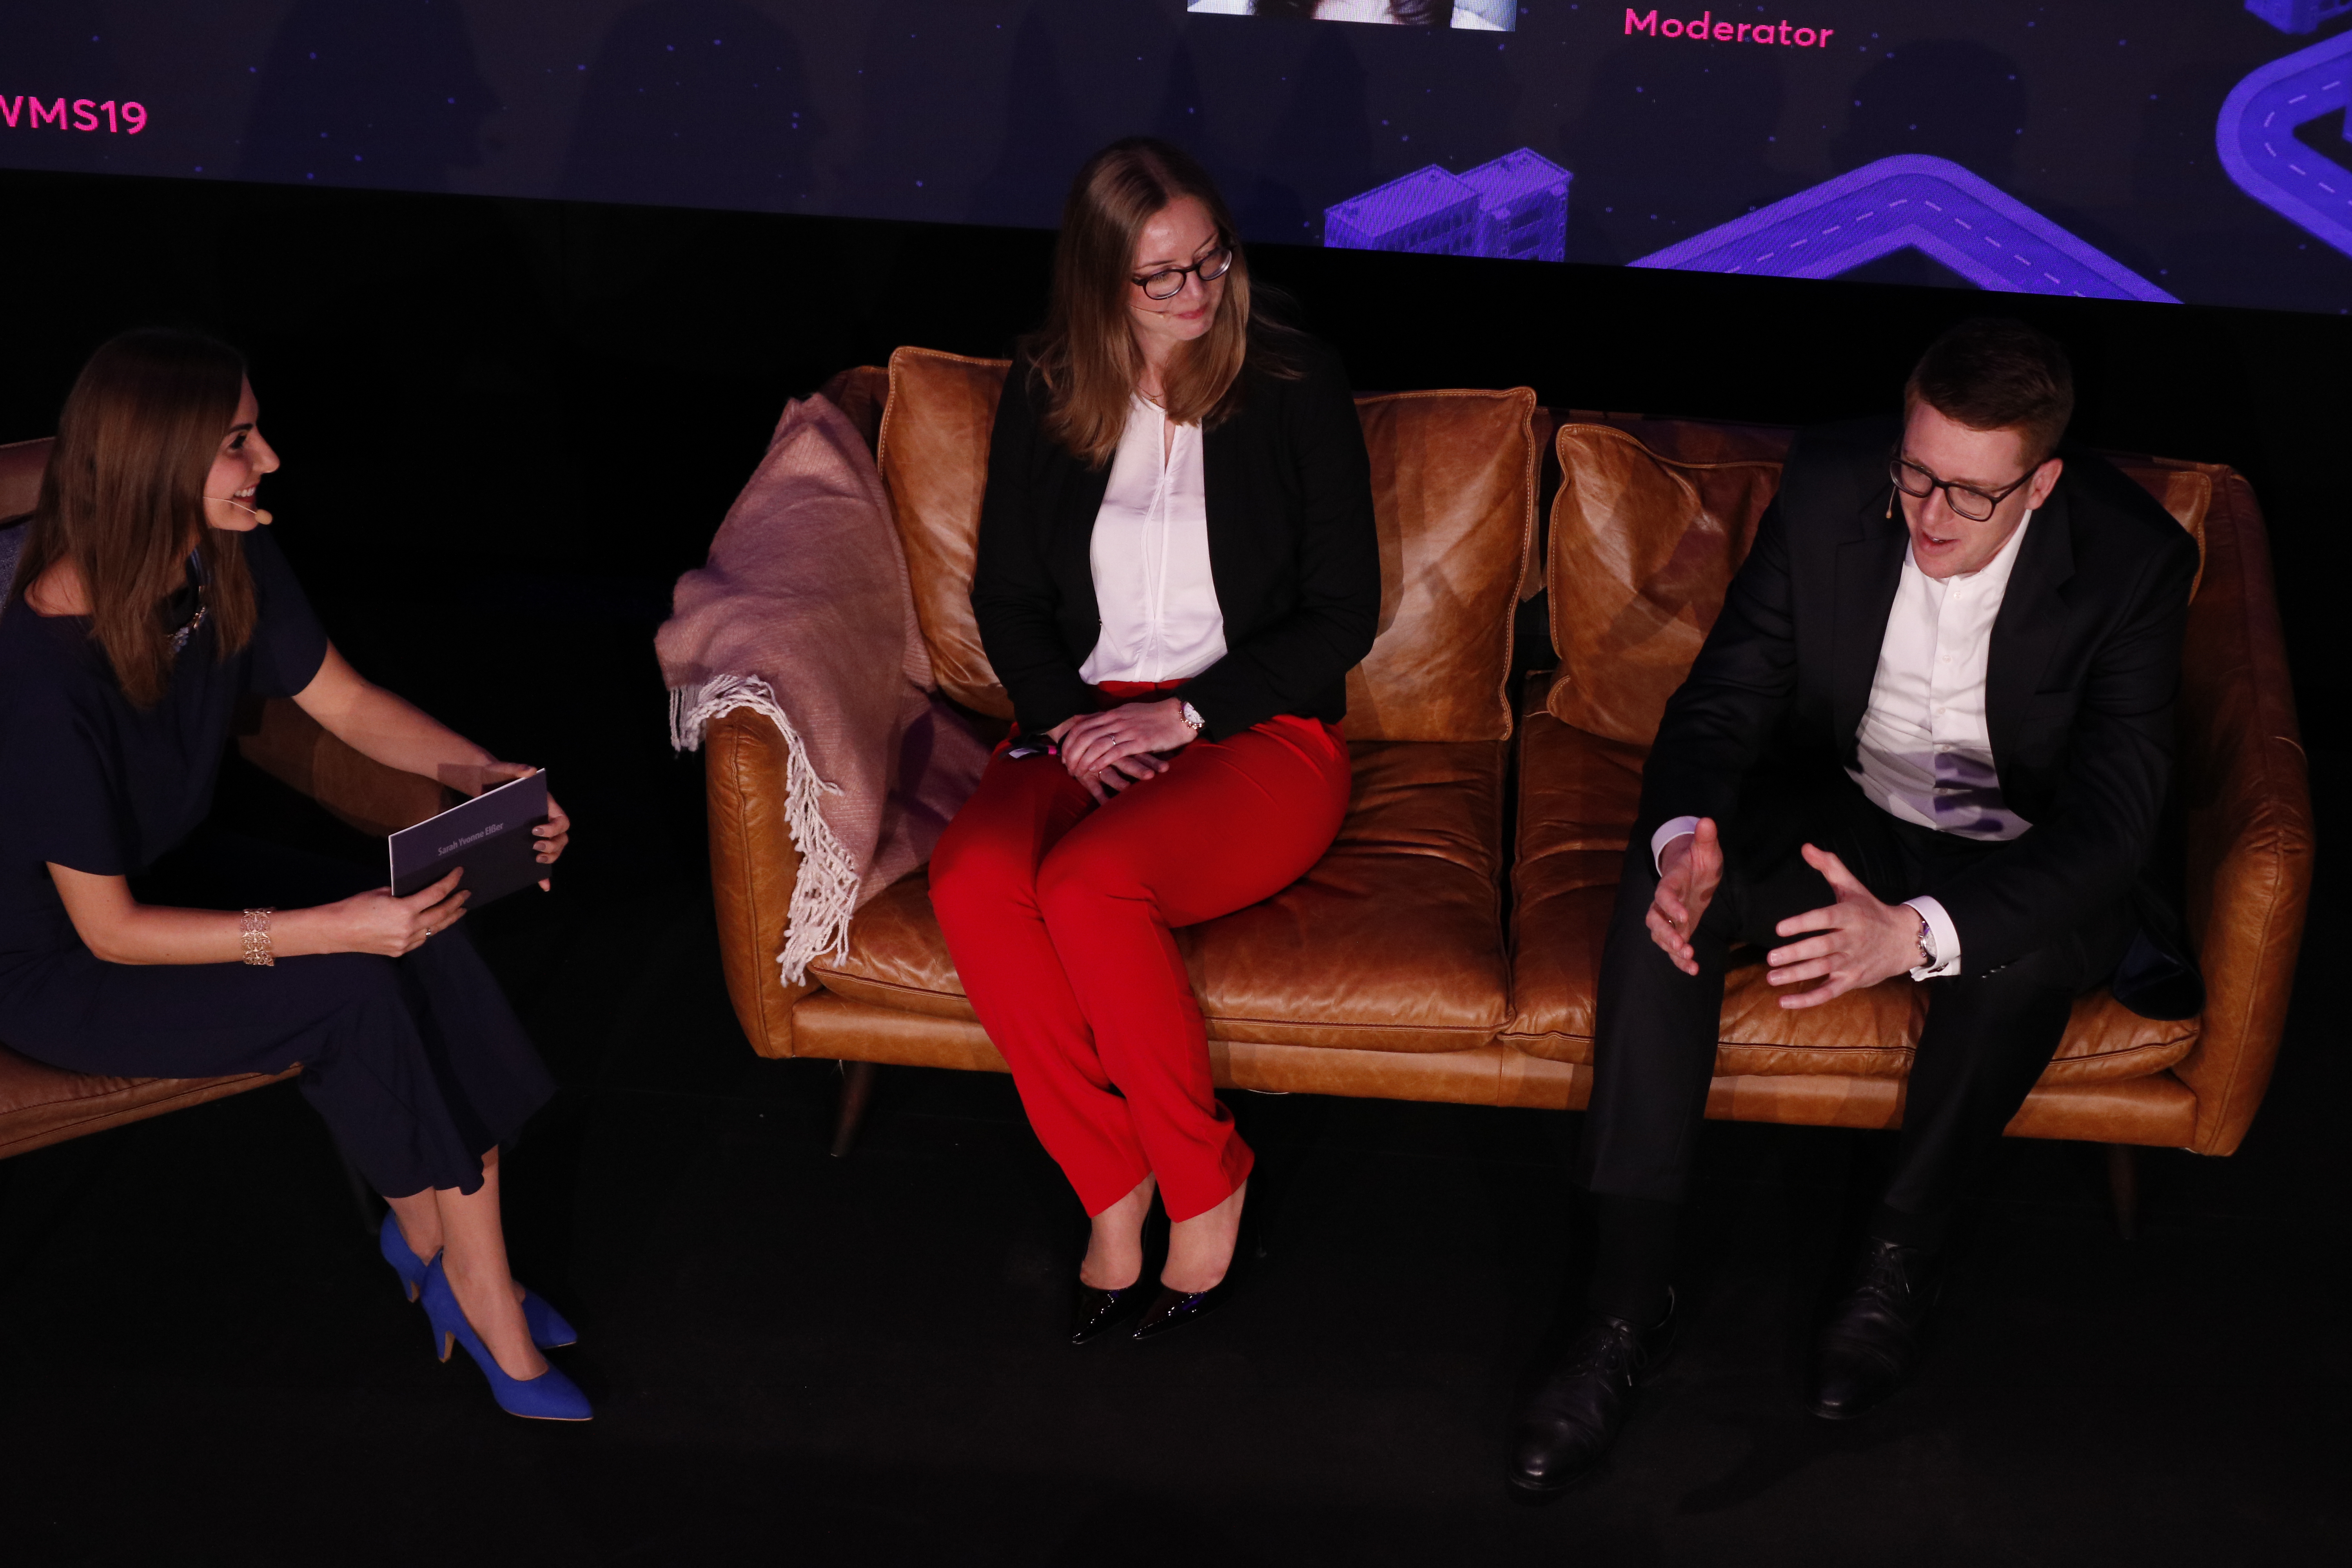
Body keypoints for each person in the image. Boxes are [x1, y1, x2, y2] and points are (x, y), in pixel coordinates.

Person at [1507, 318, 2200, 1495]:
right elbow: (1724, 702)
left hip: (2024, 856)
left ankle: (1898, 1258)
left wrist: (1916, 934)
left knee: (2013, 961)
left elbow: (2112, 829)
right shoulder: (1833, 487)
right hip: (1853, 814)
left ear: (2041, 484)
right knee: (1661, 899)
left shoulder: (2132, 562)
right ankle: (1623, 1309)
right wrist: (1687, 845)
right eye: (1917, 473)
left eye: (1970, 496)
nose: (1930, 514)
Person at [0, 330, 588, 1422]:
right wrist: (331, 927)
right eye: (238, 441)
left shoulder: (224, 553)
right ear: (157, 461)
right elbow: (112, 934)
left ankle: (455, 1260)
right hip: (55, 962)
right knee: (359, 979)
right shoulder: (41, 675)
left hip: (165, 877)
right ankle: (472, 1286)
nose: (268, 460)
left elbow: (351, 708)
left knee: (432, 920)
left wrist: (484, 775)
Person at [929, 138, 1380, 1344]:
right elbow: (1008, 600)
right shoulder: (1047, 388)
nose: (1197, 294)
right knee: (973, 878)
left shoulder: (1293, 379)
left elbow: (1345, 615)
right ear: (1097, 284)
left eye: (1210, 261)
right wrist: (1074, 722)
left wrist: (1184, 713)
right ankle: (1110, 1181)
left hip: (1253, 727)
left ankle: (1206, 1178)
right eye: (1160, 277)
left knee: (1090, 885)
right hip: (1082, 720)